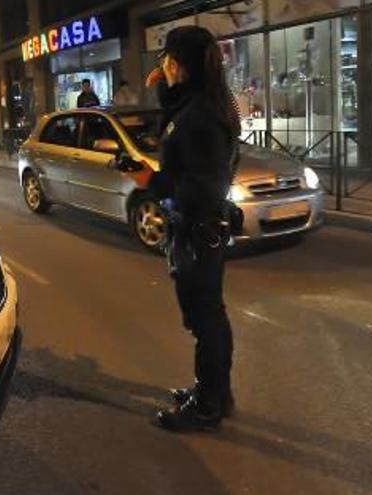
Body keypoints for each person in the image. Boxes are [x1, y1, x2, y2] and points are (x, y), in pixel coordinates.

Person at [146, 26, 241, 432]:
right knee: (205, 317)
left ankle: (207, 406)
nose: (162, 64)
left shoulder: (201, 116)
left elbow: (198, 183)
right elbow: (173, 127)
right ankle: (216, 392)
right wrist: (164, 87)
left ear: (181, 62)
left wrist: (148, 182)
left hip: (199, 230)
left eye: (167, 58)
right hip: (197, 229)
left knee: (205, 320)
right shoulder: (198, 106)